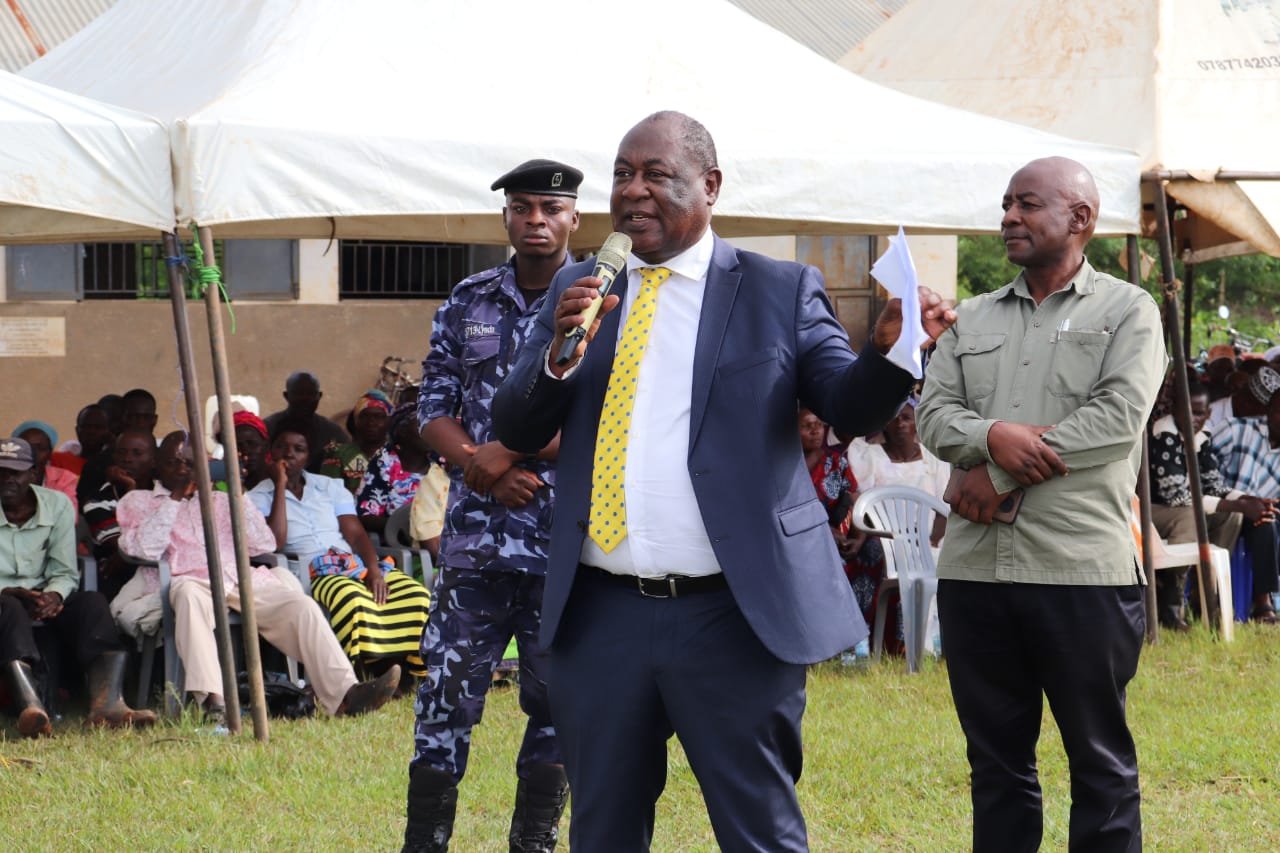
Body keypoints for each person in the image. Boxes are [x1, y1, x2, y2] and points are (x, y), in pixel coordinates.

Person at [490, 113, 954, 852]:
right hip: (601, 612)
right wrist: (555, 353)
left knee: (757, 831)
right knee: (602, 829)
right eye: (621, 174)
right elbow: (512, 424)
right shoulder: (583, 285)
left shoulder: (777, 289)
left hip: (732, 614)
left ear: (709, 187)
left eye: (655, 175)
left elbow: (844, 402)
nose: (631, 191)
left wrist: (891, 353)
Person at [917, 157, 1166, 852]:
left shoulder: (1128, 311)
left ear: (1079, 219)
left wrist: (991, 475)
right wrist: (992, 433)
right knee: (995, 766)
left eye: (1027, 204)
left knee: (1100, 763)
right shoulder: (972, 319)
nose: (1009, 218)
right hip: (975, 576)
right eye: (1006, 205)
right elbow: (935, 415)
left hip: (1081, 572)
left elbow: (1116, 419)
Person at [402, 157, 582, 853]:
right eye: (524, 208)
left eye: (551, 210)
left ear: (573, 219)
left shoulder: (602, 297)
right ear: (506, 215)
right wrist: (483, 465)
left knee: (557, 705)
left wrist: (511, 452)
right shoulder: (469, 298)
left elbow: (611, 417)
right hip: (476, 540)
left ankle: (532, 843)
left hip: (562, 545)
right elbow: (432, 407)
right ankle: (425, 843)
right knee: (445, 702)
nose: (536, 221)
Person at [115, 432, 400, 720]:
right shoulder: (137, 501)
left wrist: (237, 493)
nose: (182, 470)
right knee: (188, 594)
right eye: (174, 462)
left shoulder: (221, 500)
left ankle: (346, 696)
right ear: (157, 466)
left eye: (190, 463)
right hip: (189, 580)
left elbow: (264, 543)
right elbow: (143, 549)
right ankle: (215, 702)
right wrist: (175, 497)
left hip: (242, 579)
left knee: (300, 606)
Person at [247, 421, 430, 683]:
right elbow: (275, 541)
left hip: (352, 563)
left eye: (298, 449)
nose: (289, 454)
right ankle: (354, 678)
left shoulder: (330, 487)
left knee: (417, 595)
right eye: (282, 448)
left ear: (307, 456)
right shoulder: (257, 496)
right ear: (270, 452)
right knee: (352, 600)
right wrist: (279, 486)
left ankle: (409, 674)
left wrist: (374, 571)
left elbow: (355, 534)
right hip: (309, 571)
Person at [1, 438, 156, 737]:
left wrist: (54, 595)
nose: (7, 479)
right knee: (9, 608)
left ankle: (108, 705)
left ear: (34, 473)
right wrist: (11, 592)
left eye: (15, 472)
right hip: (3, 600)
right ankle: (31, 708)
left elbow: (64, 569)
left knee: (92, 604)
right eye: (1, 471)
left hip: (42, 595)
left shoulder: (55, 505)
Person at [1148, 378, 1261, 630]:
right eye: (1186, 411)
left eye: (1199, 413)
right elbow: (1175, 497)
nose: (1193, 418)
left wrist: (1246, 500)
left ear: (1208, 413)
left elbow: (1213, 485)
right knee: (1189, 515)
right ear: (1174, 409)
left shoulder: (1202, 437)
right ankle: (1171, 602)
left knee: (1232, 517)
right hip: (1154, 513)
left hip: (1184, 510)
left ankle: (1207, 595)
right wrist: (1237, 505)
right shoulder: (1163, 434)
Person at [800, 407, 884, 640]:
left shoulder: (836, 462)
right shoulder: (787, 468)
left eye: (818, 425)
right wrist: (825, 532)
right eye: (807, 426)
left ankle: (858, 637)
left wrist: (859, 538)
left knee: (872, 550)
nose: (815, 431)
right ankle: (826, 639)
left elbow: (857, 501)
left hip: (840, 536)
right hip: (803, 540)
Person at [1209, 366, 1280, 623]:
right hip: (1228, 509)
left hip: (1266, 513)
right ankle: (1263, 605)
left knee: (1267, 520)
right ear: (1269, 409)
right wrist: (1235, 499)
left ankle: (1268, 602)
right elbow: (1202, 464)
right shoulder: (1236, 429)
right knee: (1265, 524)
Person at [81, 431, 156, 602]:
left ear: (154, 460)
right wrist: (132, 490)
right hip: (118, 577)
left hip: (162, 573)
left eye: (137, 453)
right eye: (121, 452)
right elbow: (128, 549)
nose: (127, 459)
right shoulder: (98, 500)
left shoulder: (165, 494)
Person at [356, 402, 433, 543]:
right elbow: (365, 516)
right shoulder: (384, 462)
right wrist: (404, 526)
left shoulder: (441, 464)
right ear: (402, 431)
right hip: (397, 545)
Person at [262, 371, 349, 473]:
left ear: (319, 396)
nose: (305, 398)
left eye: (310, 393)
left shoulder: (333, 432)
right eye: (298, 393)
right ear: (286, 396)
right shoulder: (268, 428)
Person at [320, 390, 393, 493]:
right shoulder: (339, 454)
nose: (371, 422)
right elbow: (327, 494)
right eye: (364, 416)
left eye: (378, 417)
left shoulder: (397, 457)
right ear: (356, 421)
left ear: (388, 422)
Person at [13, 421, 79, 514]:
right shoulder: (4, 475)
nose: (33, 453)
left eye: (40, 448)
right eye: (26, 446)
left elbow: (70, 514)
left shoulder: (64, 478)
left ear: (50, 453)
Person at [50, 404, 112, 476]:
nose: (92, 431)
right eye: (86, 426)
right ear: (77, 430)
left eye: (98, 427)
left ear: (108, 432)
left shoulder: (114, 468)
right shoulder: (58, 461)